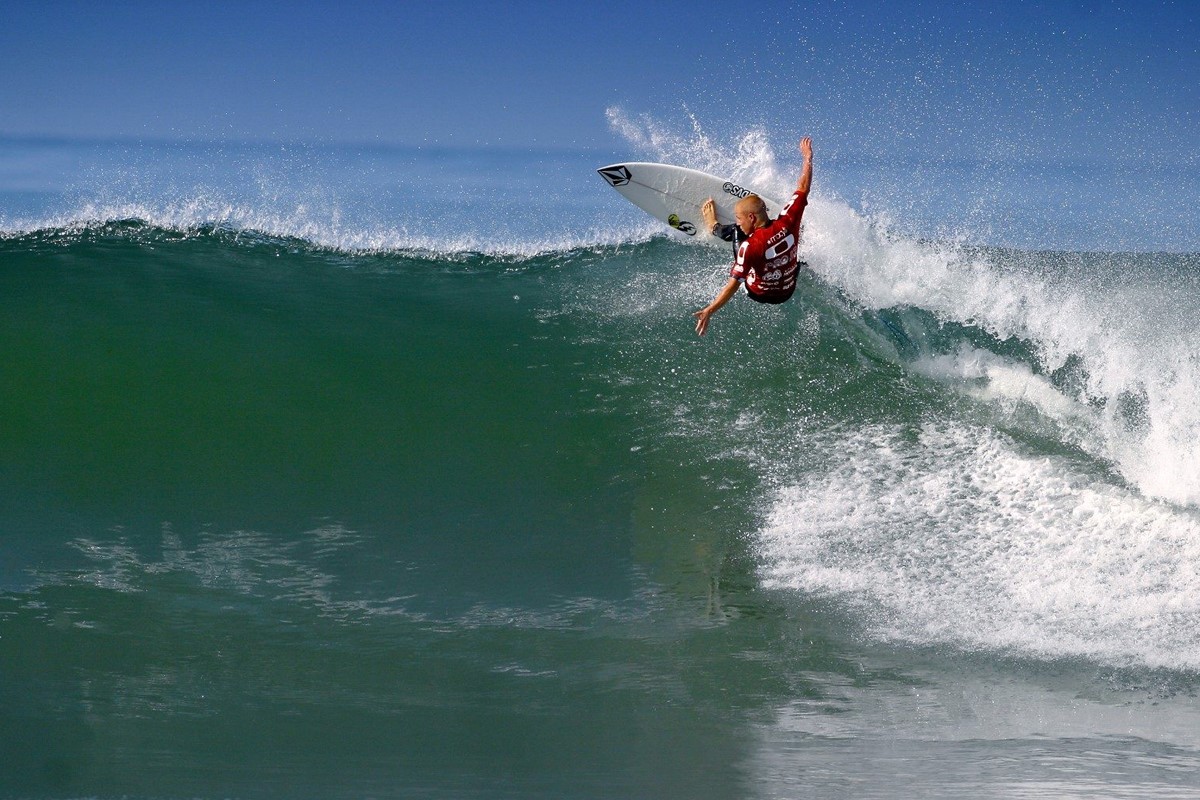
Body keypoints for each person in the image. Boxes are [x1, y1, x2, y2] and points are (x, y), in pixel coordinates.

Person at [693, 137, 813, 336]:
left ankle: (714, 227)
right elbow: (803, 187)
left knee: (736, 233)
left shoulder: (750, 245)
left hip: (758, 293)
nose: (738, 221)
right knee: (795, 247)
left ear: (751, 217)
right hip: (787, 292)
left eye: (739, 218)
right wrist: (807, 157)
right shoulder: (789, 220)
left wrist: (709, 310)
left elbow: (733, 285)